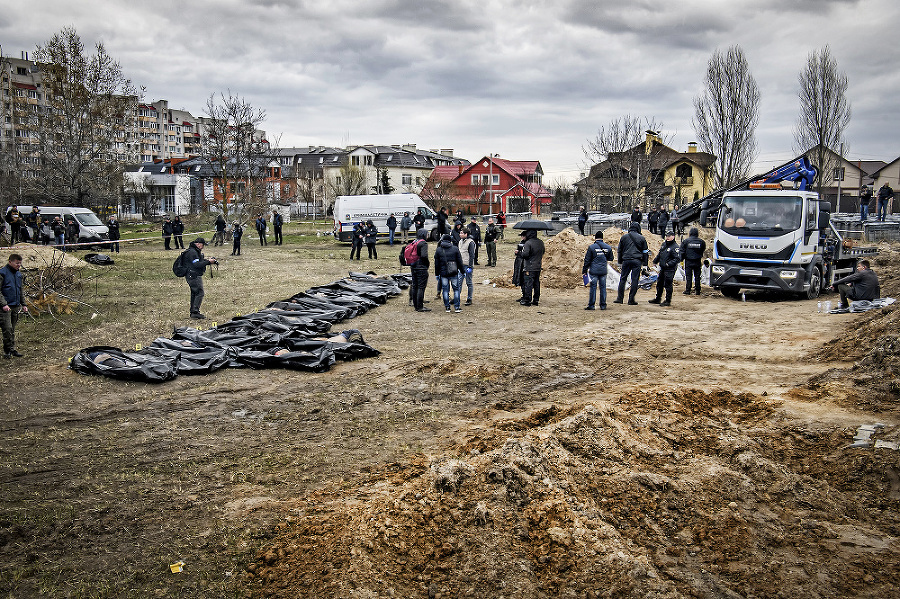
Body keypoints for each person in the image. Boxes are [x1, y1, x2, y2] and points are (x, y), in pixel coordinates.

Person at [614, 222, 649, 305]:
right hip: (637, 261)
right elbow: (645, 253)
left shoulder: (624, 237)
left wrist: (620, 262)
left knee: (623, 279)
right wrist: (645, 265)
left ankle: (620, 298)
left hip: (626, 260)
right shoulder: (642, 238)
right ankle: (631, 300)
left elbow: (619, 251)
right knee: (635, 280)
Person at [1, 253, 27, 358]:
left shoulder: (18, 275)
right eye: (17, 263)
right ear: (10, 262)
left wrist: (23, 304)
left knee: (12, 329)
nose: (18, 265)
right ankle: (7, 351)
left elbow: (20, 290)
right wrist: (3, 304)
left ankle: (12, 349)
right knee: (7, 328)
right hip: (5, 307)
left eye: (20, 263)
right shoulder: (2, 273)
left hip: (15, 305)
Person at [183, 237, 217, 319]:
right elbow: (196, 264)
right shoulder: (192, 252)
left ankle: (193, 311)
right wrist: (208, 262)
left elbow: (199, 262)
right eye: (202, 245)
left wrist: (208, 261)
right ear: (198, 244)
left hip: (192, 274)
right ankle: (195, 312)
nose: (203, 247)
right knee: (199, 292)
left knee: (195, 292)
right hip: (193, 275)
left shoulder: (194, 251)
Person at [648, 229, 681, 307]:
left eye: (669, 236)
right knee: (659, 284)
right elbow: (660, 254)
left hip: (670, 269)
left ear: (673, 236)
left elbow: (677, 259)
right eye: (666, 236)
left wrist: (668, 264)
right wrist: (656, 260)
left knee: (668, 284)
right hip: (663, 267)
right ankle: (658, 298)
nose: (667, 238)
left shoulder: (675, 247)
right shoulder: (664, 244)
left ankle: (668, 300)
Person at [582, 231, 614, 310]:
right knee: (603, 287)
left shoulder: (592, 247)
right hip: (603, 270)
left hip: (594, 270)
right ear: (602, 237)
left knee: (593, 287)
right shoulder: (608, 247)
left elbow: (587, 260)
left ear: (595, 237)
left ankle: (591, 305)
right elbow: (611, 258)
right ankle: (603, 305)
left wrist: (584, 270)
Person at [434, 234, 464, 313]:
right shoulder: (455, 249)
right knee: (456, 290)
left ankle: (447, 307)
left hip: (443, 273)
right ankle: (457, 307)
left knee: (445, 290)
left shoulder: (439, 250)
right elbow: (460, 262)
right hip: (454, 272)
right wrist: (462, 271)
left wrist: (437, 274)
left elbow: (436, 264)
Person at [519, 229, 545, 306]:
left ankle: (527, 300)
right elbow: (543, 251)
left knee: (528, 283)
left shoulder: (528, 243)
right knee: (536, 283)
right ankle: (536, 300)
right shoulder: (540, 242)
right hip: (538, 265)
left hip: (529, 266)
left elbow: (525, 255)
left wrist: (520, 253)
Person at [409, 228, 431, 312]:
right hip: (421, 267)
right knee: (421, 287)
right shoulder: (423, 243)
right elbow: (424, 256)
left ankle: (415, 305)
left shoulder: (414, 241)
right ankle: (420, 306)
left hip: (413, 266)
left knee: (415, 286)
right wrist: (427, 264)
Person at [680, 227, 706, 295]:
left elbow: (682, 252)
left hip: (688, 261)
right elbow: (702, 250)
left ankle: (688, 290)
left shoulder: (686, 241)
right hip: (697, 261)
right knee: (697, 276)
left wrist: (681, 260)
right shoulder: (701, 242)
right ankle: (697, 290)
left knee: (689, 276)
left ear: (690, 233)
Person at [458, 226, 476, 306]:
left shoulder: (470, 242)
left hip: (467, 265)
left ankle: (469, 298)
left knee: (469, 282)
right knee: (458, 282)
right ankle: (457, 297)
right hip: (461, 265)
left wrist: (470, 266)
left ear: (466, 234)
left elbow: (472, 255)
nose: (460, 234)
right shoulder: (460, 242)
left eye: (462, 233)